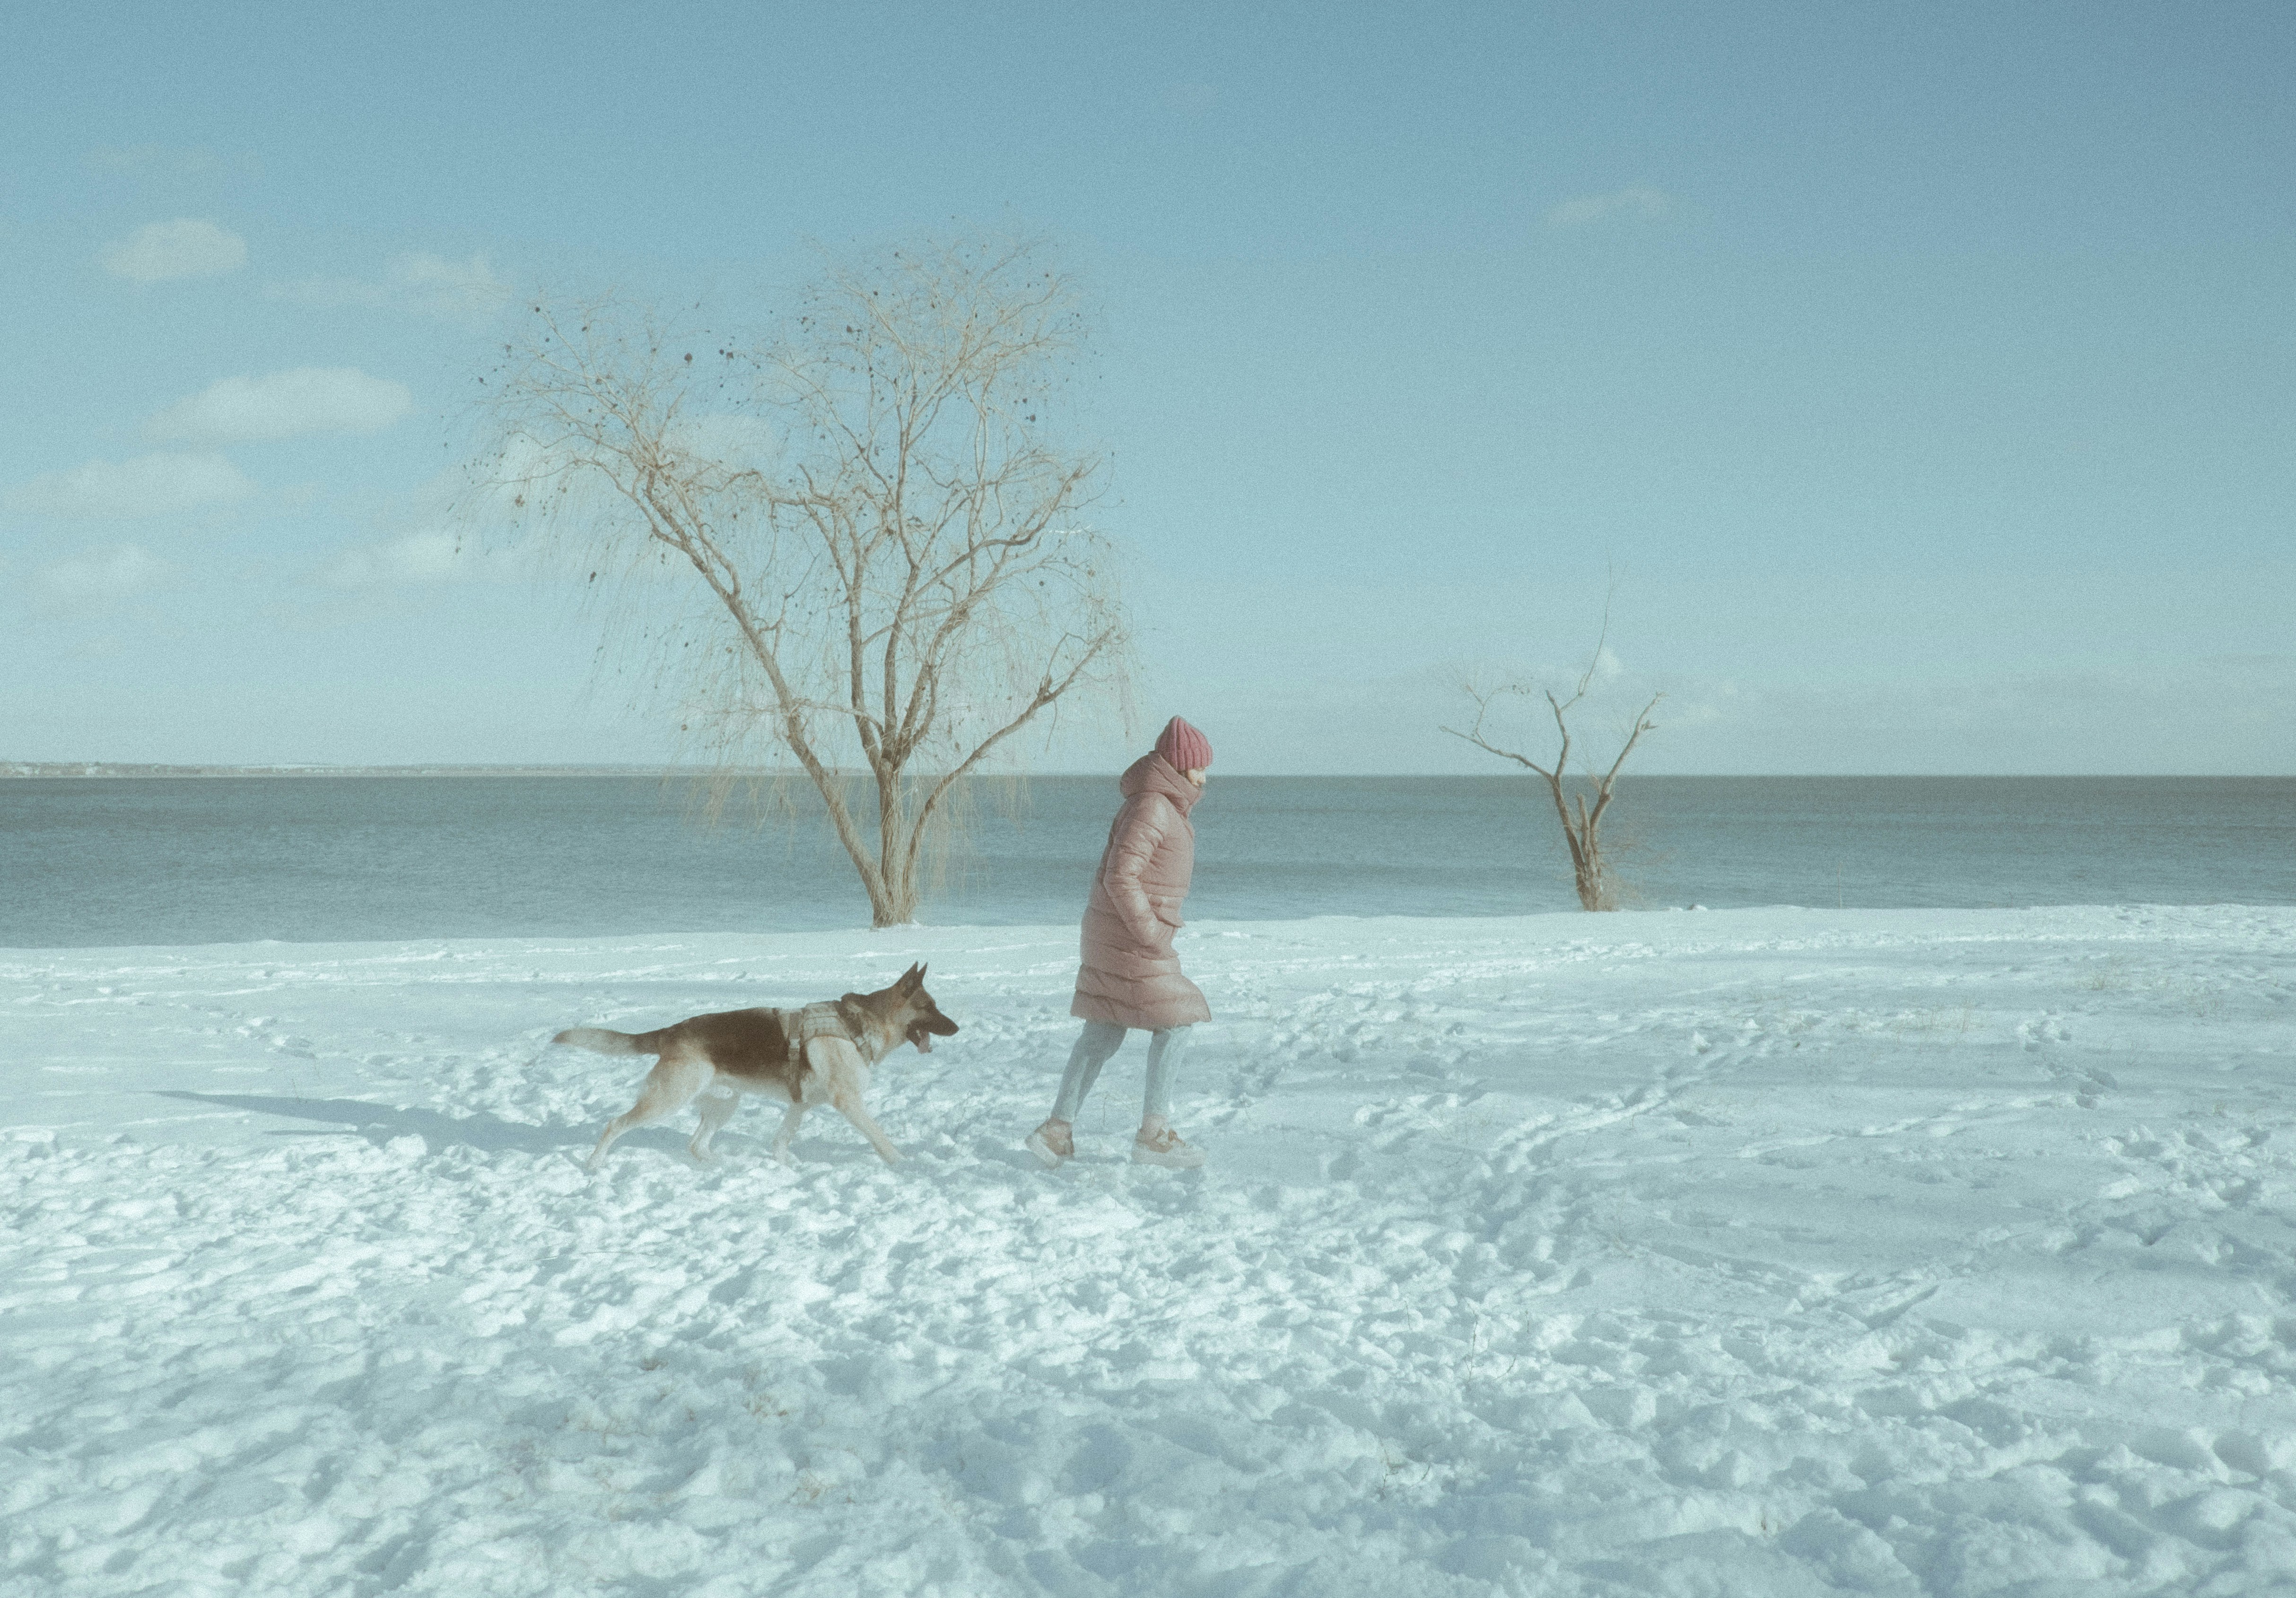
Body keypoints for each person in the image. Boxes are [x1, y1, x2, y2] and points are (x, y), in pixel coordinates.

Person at [1027, 717, 1214, 1169]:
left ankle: (1056, 1131)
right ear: (1178, 766)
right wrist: (1152, 932)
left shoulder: (1158, 805)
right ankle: (1153, 1134)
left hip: (1113, 935)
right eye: (1197, 768)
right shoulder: (1153, 806)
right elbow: (1121, 875)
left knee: (1104, 1028)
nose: (1204, 779)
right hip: (1130, 940)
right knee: (1177, 1019)